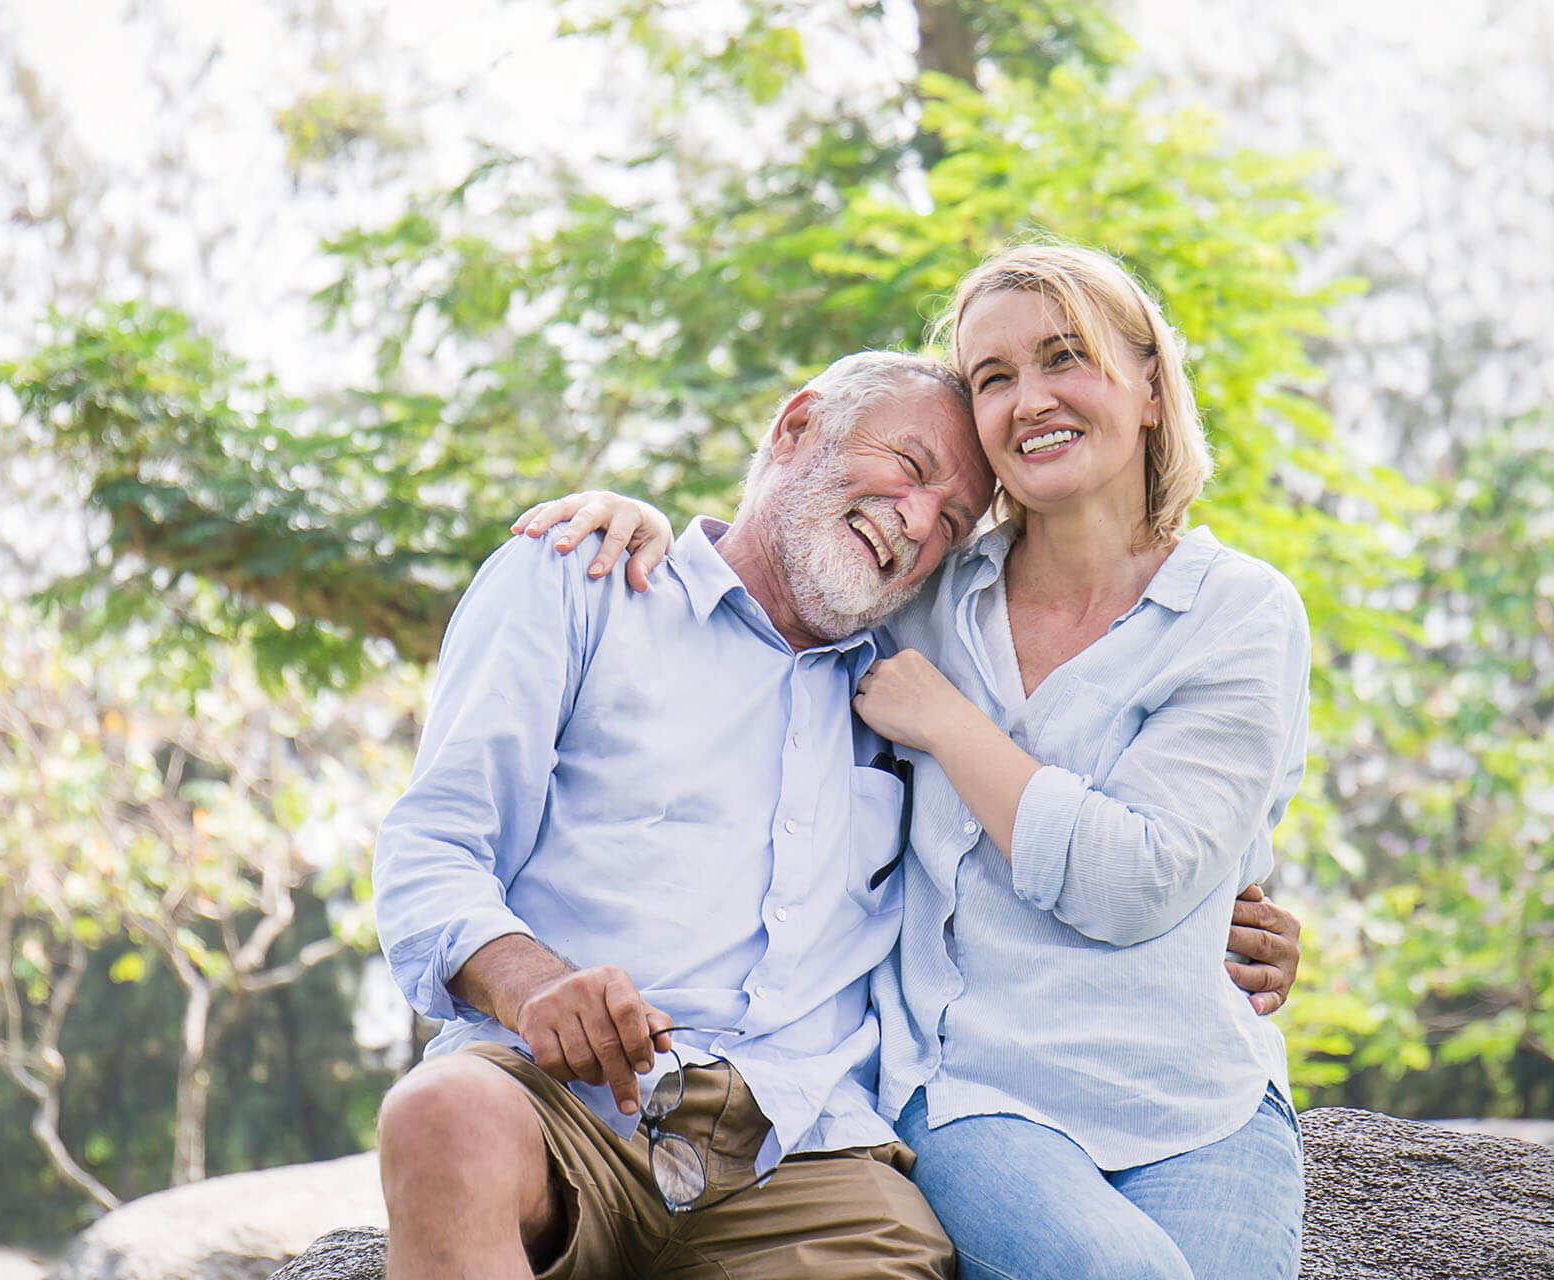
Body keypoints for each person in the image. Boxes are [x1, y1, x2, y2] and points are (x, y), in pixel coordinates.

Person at [517, 242, 1311, 1279]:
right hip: (975, 1092)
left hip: (1202, 1097)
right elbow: (770, 581)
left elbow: (1142, 879)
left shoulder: (1241, 613)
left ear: (1152, 385)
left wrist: (949, 724)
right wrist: (650, 521)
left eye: (1064, 356)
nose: (1029, 398)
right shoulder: (918, 591)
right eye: (993, 377)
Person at [372, 351, 989, 1280]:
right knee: (437, 1115)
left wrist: (1211, 904)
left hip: (800, 1148)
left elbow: (1074, 796)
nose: (917, 522)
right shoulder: (581, 581)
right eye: (909, 465)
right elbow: (433, 845)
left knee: (902, 1251)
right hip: (559, 1106)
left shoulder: (920, 681)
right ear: (794, 428)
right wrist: (533, 984)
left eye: (952, 522)